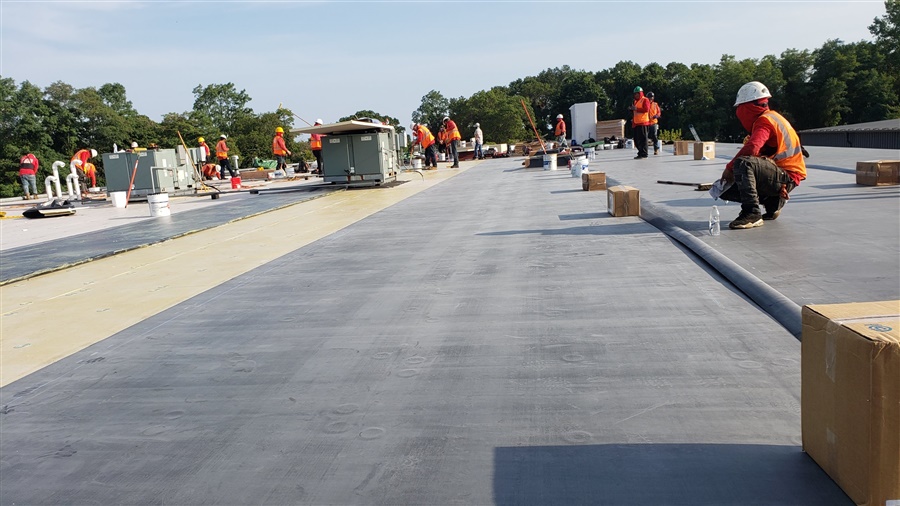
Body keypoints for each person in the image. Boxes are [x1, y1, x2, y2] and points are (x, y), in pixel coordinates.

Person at [718, 81, 807, 230]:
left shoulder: (764, 121)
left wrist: (729, 168)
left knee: (743, 164)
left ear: (748, 107)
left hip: (785, 175)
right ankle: (773, 202)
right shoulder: (773, 117)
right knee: (726, 188)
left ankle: (752, 213)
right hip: (785, 175)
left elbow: (752, 148)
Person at [629, 86, 651, 159]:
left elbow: (646, 109)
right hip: (636, 123)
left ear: (641, 93)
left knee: (643, 139)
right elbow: (635, 111)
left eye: (637, 94)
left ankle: (644, 154)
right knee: (636, 139)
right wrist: (631, 109)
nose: (636, 95)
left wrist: (636, 109)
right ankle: (640, 152)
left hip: (643, 122)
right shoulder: (635, 101)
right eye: (635, 94)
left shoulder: (645, 100)